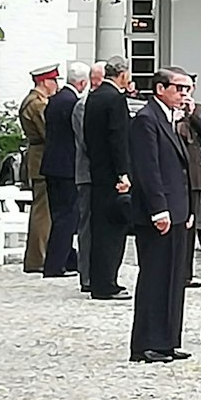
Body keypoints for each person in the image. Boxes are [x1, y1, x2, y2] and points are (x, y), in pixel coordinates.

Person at [127, 66, 195, 364]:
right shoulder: (146, 119)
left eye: (187, 89)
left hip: (178, 209)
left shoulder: (171, 119)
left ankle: (167, 339)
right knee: (155, 276)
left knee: (174, 277)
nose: (184, 94)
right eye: (179, 88)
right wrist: (159, 209)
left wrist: (187, 209)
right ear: (160, 89)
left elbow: (182, 168)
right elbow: (148, 169)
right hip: (158, 211)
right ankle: (146, 343)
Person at [80, 60, 133, 301]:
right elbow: (118, 139)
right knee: (112, 231)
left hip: (97, 170)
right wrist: (123, 173)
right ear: (122, 75)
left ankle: (96, 279)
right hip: (112, 174)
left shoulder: (95, 96)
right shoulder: (115, 99)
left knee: (99, 227)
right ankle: (107, 283)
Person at [37, 62, 88, 278]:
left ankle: (66, 258)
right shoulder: (73, 103)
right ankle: (56, 264)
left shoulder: (54, 101)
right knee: (67, 216)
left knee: (59, 213)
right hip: (67, 166)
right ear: (82, 82)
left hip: (51, 164)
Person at [18, 65, 61, 274]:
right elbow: (49, 130)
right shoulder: (37, 104)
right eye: (55, 81)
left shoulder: (33, 101)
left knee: (43, 210)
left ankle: (39, 255)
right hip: (41, 159)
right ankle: (38, 257)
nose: (57, 86)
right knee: (42, 212)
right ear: (46, 82)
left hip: (38, 158)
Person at [72, 63, 105, 293]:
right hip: (88, 173)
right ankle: (87, 274)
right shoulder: (84, 106)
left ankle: (98, 272)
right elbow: (87, 140)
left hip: (99, 173)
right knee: (88, 225)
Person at [174, 99, 201, 290]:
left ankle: (186, 273)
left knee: (190, 227)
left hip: (193, 175)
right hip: (174, 175)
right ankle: (173, 270)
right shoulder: (165, 111)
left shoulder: (198, 110)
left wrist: (192, 112)